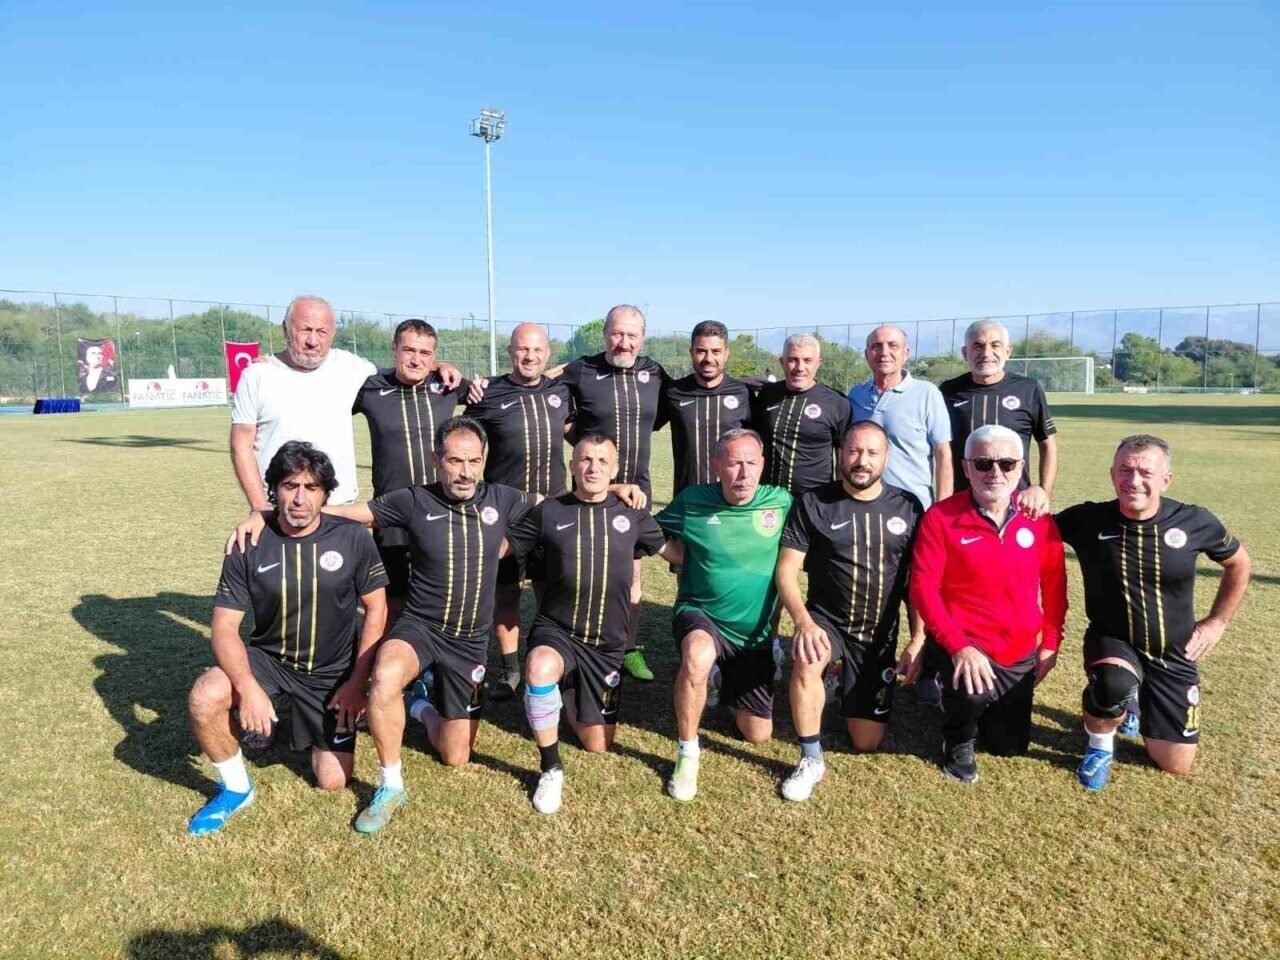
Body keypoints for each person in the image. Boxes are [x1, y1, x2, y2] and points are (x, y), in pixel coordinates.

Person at [229, 417, 534, 833]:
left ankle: (419, 706)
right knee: (386, 675)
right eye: (455, 461)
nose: (465, 472)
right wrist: (268, 514)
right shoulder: (413, 500)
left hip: (470, 641)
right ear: (437, 460)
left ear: (484, 461)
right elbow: (353, 513)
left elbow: (553, 505)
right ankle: (391, 786)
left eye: (473, 461)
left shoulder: (504, 498)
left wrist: (614, 491)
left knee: (455, 755)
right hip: (420, 628)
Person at [189, 442, 388, 835]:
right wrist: (248, 688)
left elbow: (377, 610)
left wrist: (356, 684)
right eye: (289, 485)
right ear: (274, 490)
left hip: (331, 671)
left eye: (311, 487)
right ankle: (236, 789)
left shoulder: (353, 538)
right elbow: (224, 627)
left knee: (333, 780)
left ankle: (302, 717)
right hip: (270, 661)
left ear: (325, 494)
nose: (299, 498)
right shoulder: (248, 543)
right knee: (205, 696)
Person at [1055, 435, 1251, 790]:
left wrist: (1217, 622)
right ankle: (1100, 745)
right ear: (1112, 474)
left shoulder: (1194, 521)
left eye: (1145, 472)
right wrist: (1032, 495)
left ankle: (1136, 702)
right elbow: (1029, 531)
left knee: (1175, 764)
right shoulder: (1088, 519)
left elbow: (1239, 563)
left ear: (1165, 480)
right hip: (1113, 641)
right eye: (1124, 470)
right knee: (1113, 684)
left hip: (1174, 652)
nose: (1134, 480)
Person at [505, 434, 678, 814]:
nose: (593, 467)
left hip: (607, 643)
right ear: (572, 465)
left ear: (615, 470)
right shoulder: (550, 511)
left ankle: (570, 686)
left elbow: (674, 553)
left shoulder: (633, 514)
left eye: (602, 461)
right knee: (539, 668)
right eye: (585, 459)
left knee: (597, 743)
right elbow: (503, 548)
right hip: (558, 630)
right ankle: (551, 768)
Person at [775, 421, 926, 801]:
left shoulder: (908, 507)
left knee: (865, 741)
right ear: (840, 454)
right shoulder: (813, 502)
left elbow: (917, 582)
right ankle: (811, 758)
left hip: (877, 633)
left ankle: (840, 679)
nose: (862, 461)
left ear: (886, 457)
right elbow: (786, 570)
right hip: (827, 622)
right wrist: (803, 622)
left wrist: (918, 638)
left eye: (872, 453)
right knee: (808, 658)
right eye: (854, 451)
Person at [908, 424, 1067, 784]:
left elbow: (1055, 587)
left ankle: (976, 698)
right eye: (983, 464)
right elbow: (923, 588)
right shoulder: (941, 517)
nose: (995, 472)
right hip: (965, 643)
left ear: (1021, 467)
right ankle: (957, 738)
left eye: (1007, 464)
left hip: (1017, 649)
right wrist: (959, 647)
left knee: (1008, 746)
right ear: (966, 468)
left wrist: (1050, 644)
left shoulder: (1038, 519)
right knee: (973, 696)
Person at [654, 429, 794, 802]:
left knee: (758, 734)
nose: (743, 473)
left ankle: (719, 678)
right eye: (734, 463)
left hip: (753, 636)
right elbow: (649, 530)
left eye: (751, 463)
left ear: (762, 465)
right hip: (701, 613)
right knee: (697, 655)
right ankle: (688, 753)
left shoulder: (781, 502)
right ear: (717, 466)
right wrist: (680, 555)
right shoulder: (693, 500)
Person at [230, 294, 462, 509]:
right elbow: (241, 447)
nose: (313, 340)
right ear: (285, 329)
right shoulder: (257, 375)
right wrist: (260, 508)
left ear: (332, 333)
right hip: (282, 508)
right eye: (305, 329)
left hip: (340, 508)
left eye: (322, 332)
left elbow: (405, 368)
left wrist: (438, 365)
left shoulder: (350, 367)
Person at [466, 323, 575, 700]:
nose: (530, 356)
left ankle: (553, 661)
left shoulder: (561, 391)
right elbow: (467, 442)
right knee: (507, 594)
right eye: (523, 349)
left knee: (552, 592)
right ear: (510, 351)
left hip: (554, 511)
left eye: (537, 350)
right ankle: (510, 670)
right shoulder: (488, 393)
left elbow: (577, 433)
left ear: (548, 353)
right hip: (507, 514)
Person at [850, 324, 953, 704]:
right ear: (867, 354)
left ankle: (924, 663)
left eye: (893, 345)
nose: (884, 352)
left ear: (906, 353)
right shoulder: (856, 395)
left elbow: (942, 454)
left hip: (914, 511)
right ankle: (866, 659)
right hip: (866, 510)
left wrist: (941, 509)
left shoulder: (926, 394)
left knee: (919, 588)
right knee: (874, 586)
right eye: (876, 346)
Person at [352, 318, 467, 623]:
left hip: (442, 509)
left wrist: (444, 366)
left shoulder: (448, 385)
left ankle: (439, 649)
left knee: (444, 591)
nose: (416, 359)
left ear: (434, 356)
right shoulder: (370, 388)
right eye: (409, 350)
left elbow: (503, 389)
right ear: (394, 349)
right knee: (394, 598)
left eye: (425, 353)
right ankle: (397, 650)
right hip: (391, 512)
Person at [940, 320, 1058, 516]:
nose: (986, 353)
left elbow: (1048, 445)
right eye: (978, 346)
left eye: (995, 345)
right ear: (965, 352)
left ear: (1008, 351)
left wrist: (1044, 492)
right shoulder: (948, 391)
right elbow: (940, 450)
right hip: (961, 506)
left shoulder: (1028, 389)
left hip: (1017, 504)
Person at [751, 334, 852, 496]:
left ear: (818, 363)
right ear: (782, 362)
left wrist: (841, 498)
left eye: (807, 361)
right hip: (768, 498)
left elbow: (843, 458)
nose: (800, 367)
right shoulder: (767, 395)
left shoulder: (837, 403)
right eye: (793, 360)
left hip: (815, 500)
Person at [661, 321, 753, 495]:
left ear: (726, 353)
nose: (708, 359)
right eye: (701, 351)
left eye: (716, 351)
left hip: (730, 499)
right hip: (688, 498)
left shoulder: (743, 393)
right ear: (691, 352)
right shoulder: (674, 393)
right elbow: (643, 426)